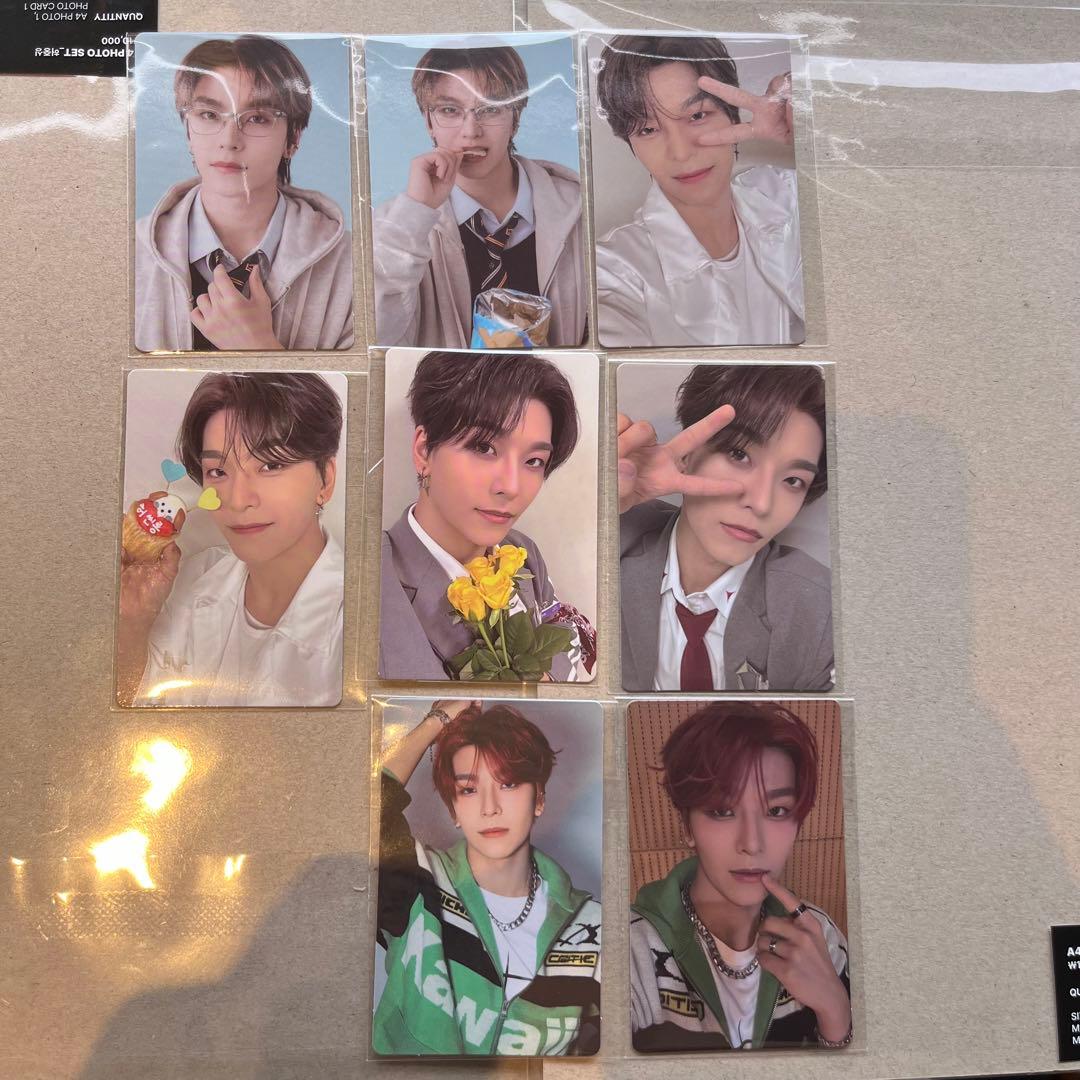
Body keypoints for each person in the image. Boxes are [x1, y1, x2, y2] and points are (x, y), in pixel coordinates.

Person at [374, 700, 602, 1055]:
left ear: (539, 799)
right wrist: (437, 721)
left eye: (508, 784)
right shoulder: (418, 881)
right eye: (469, 789)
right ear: (453, 809)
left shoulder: (595, 928)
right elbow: (356, 812)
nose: (489, 807)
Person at [630, 701, 851, 1051]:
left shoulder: (818, 933)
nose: (751, 843)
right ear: (687, 826)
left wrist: (835, 1011)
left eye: (776, 810)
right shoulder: (632, 948)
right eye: (722, 811)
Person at [116, 371, 344, 706]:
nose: (237, 500)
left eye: (271, 465)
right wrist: (132, 621)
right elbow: (136, 713)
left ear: (325, 480)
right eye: (218, 472)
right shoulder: (191, 578)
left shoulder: (360, 621)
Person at [380, 351, 592, 681]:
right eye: (483, 447)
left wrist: (545, 681)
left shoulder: (522, 553)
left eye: (534, 461)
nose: (511, 487)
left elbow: (562, 633)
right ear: (424, 451)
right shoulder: (375, 583)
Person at [619, 364, 832, 692]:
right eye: (739, 454)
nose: (761, 504)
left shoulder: (820, 613)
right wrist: (594, 500)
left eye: (793, 480)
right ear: (687, 454)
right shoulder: (607, 542)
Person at [135, 34, 353, 352]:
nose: (229, 140)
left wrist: (261, 347)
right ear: (188, 129)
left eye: (257, 119)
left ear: (293, 138)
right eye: (209, 115)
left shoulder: (353, 264)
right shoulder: (131, 254)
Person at [371, 44, 586, 348]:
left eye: (490, 109)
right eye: (449, 110)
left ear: (515, 118)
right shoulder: (395, 227)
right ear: (428, 122)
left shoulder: (580, 211)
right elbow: (375, 339)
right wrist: (416, 213)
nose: (470, 131)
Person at [594, 35, 802, 347]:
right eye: (648, 130)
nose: (680, 153)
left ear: (732, 115)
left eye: (697, 116)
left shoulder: (786, 193)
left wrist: (811, 133)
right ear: (631, 144)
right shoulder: (613, 269)